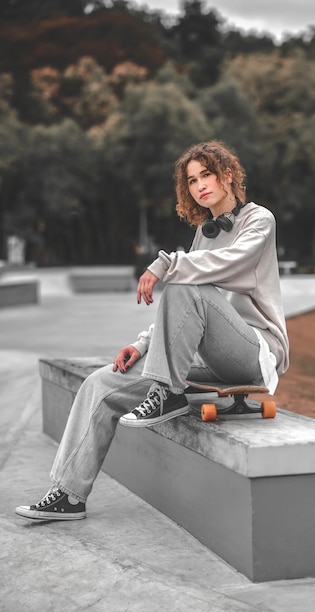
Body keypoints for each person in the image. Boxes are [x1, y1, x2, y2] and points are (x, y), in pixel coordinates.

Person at [15, 140, 289, 521]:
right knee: (101, 382)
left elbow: (227, 265)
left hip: (254, 353)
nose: (199, 186)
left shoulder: (260, 220)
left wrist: (165, 264)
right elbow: (184, 305)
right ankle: (68, 494)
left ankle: (167, 393)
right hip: (209, 357)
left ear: (228, 175)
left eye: (206, 174)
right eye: (192, 181)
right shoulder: (205, 232)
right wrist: (142, 345)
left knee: (183, 283)